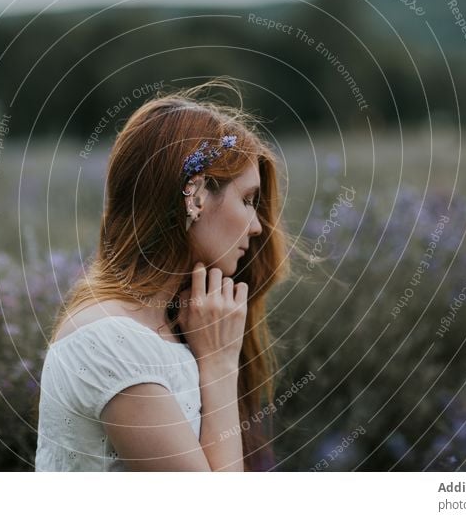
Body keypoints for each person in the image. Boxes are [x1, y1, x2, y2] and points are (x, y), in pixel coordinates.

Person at [35, 78, 300, 471]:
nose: (258, 227)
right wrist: (219, 364)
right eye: (247, 200)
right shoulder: (111, 343)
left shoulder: (179, 324)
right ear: (195, 196)